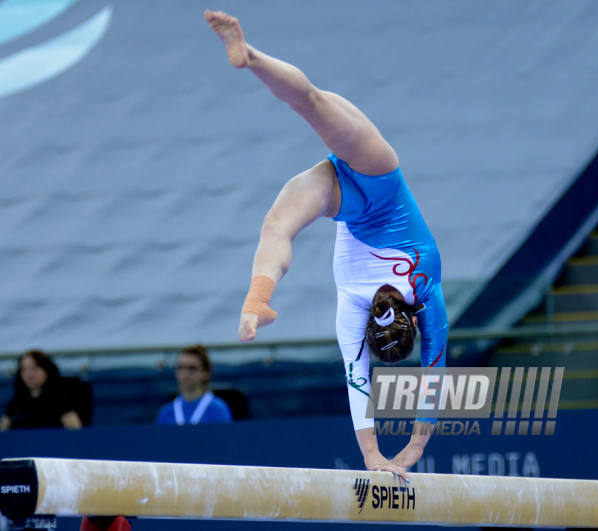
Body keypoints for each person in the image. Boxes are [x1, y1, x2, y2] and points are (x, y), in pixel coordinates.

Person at [204, 11, 448, 480]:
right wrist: (377, 456)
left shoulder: (425, 289)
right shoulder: (355, 306)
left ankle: (250, 55)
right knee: (276, 225)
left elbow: (434, 372)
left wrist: (415, 444)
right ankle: (257, 300)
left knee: (312, 102)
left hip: (375, 180)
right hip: (353, 193)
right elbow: (359, 379)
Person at [0, 350, 83, 431]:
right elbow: (3, 432)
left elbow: (76, 433)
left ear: (46, 370)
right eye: (24, 370)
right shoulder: (16, 403)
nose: (30, 375)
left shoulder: (59, 401)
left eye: (34, 368)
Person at [156, 345, 233, 425]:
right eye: (180, 368)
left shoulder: (218, 410)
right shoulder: (166, 413)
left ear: (205, 373)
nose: (185, 375)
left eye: (192, 368)